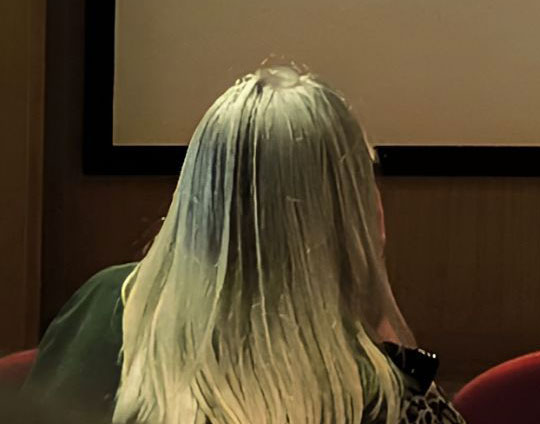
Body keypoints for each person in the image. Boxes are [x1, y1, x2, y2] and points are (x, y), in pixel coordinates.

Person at [25, 64, 462, 424]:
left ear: (198, 189)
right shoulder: (382, 391)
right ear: (355, 215)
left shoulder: (105, 302)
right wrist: (380, 325)